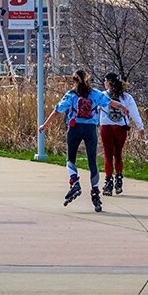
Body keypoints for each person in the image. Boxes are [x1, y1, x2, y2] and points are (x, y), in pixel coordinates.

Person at [37, 69, 122, 212]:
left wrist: (45, 125)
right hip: (90, 129)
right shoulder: (95, 94)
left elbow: (57, 111)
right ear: (87, 79)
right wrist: (123, 107)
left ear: (74, 80)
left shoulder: (71, 94)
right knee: (92, 162)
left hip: (75, 128)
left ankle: (74, 182)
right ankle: (95, 194)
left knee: (70, 159)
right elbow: (110, 102)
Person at [98, 71, 143, 196]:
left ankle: (108, 182)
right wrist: (141, 127)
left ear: (108, 82)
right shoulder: (126, 97)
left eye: (105, 81)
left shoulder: (102, 96)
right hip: (121, 128)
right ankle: (118, 178)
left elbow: (94, 111)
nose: (104, 83)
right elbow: (134, 113)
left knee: (108, 155)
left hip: (106, 127)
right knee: (118, 154)